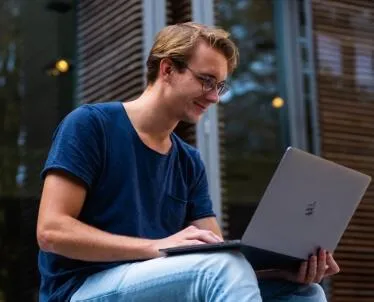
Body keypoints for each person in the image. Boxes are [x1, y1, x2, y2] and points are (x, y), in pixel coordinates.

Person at [36, 22, 340, 302]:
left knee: (303, 292)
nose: (214, 97)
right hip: (81, 288)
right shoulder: (91, 125)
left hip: (157, 283)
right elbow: (51, 232)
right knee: (220, 268)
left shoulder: (188, 160)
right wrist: (155, 248)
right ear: (167, 69)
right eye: (206, 81)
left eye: (220, 86)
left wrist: (280, 271)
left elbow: (218, 254)